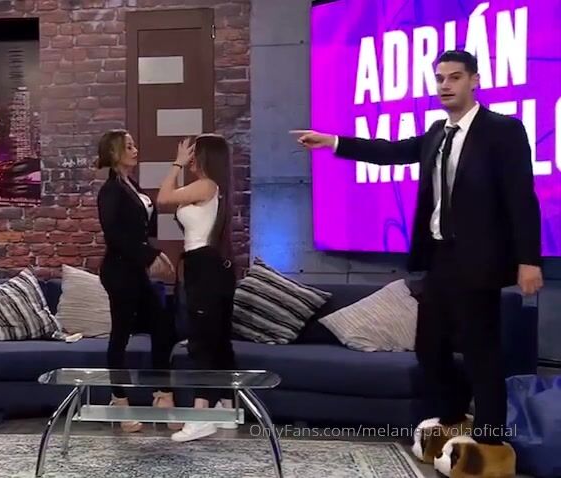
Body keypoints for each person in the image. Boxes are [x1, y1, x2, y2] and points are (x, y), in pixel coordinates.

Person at [293, 50, 542, 475]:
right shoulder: (436, 133)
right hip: (440, 258)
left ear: (474, 81)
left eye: (455, 77)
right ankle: (453, 418)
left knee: (481, 352)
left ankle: (489, 441)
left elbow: (522, 197)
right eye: (440, 78)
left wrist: (529, 260)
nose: (445, 85)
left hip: (480, 260)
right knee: (429, 347)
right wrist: (333, 141)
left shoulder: (503, 130)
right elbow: (389, 151)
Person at [156, 134, 238, 442]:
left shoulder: (206, 185)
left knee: (202, 341)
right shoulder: (209, 188)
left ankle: (202, 415)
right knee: (218, 340)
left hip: (205, 267)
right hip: (206, 265)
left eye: (194, 154)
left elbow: (163, 198)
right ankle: (226, 407)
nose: (190, 158)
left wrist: (176, 164)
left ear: (205, 157)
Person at [95, 129, 179, 432]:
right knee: (121, 334)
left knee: (163, 327)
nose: (135, 149)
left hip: (135, 270)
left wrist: (151, 253)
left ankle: (163, 396)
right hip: (119, 272)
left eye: (134, 144)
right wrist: (150, 255)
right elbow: (115, 236)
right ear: (114, 152)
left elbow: (141, 229)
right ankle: (119, 400)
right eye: (128, 146)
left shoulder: (131, 185)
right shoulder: (110, 190)